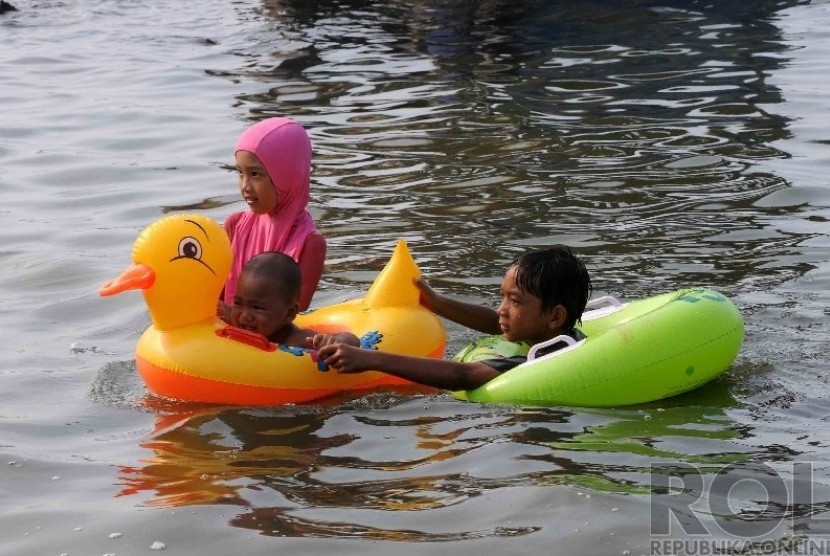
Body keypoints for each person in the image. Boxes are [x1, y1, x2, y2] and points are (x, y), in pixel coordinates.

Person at [312, 246, 592, 391]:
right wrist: (438, 304)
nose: (502, 309)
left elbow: (463, 375)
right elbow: (499, 324)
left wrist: (369, 358)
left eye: (515, 301)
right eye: (503, 296)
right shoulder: (552, 332)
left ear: (556, 316)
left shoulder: (542, 358)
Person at [221, 117, 325, 319]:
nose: (245, 186)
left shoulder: (310, 244)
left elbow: (291, 314)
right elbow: (215, 289)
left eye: (255, 174)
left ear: (287, 175)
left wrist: (233, 317)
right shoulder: (234, 226)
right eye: (240, 173)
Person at [231, 251, 358, 348]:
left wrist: (337, 341)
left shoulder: (297, 340)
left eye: (256, 308)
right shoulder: (237, 327)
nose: (244, 316)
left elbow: (352, 341)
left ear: (289, 313)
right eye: (238, 303)